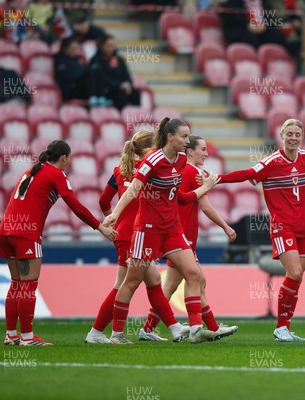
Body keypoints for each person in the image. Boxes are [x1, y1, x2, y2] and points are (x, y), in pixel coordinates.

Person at [218, 118, 305, 342]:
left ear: (302, 136)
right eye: (289, 134)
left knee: (297, 279)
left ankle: (284, 328)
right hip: (282, 227)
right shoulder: (272, 162)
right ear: (282, 135)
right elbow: (247, 173)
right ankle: (280, 328)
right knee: (295, 273)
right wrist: (217, 179)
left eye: (297, 134)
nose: (293, 138)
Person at [103, 118, 221, 344]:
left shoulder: (182, 161)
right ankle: (117, 334)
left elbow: (182, 199)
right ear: (170, 137)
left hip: (172, 230)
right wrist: (116, 214)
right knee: (131, 281)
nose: (187, 141)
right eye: (184, 137)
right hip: (147, 231)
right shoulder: (153, 159)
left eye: (188, 137)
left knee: (193, 273)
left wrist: (205, 187)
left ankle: (195, 330)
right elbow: (133, 189)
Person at [0, 140, 117, 346]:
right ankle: (27, 337)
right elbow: (76, 206)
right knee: (28, 286)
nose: (68, 163)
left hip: (6, 231)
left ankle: (11, 334)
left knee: (17, 284)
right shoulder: (56, 174)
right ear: (64, 158)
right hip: (26, 233)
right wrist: (101, 227)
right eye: (68, 159)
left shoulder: (32, 171)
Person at [141, 135, 239, 341]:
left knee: (172, 285)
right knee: (197, 279)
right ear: (190, 152)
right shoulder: (193, 172)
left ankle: (148, 329)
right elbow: (205, 206)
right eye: (202, 149)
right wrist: (225, 226)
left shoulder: (180, 170)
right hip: (181, 236)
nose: (206, 153)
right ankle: (203, 328)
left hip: (177, 232)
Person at [85, 130, 155, 344]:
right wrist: (113, 223)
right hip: (133, 235)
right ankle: (99, 333)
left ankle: (170, 328)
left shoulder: (118, 170)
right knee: (122, 284)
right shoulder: (151, 170)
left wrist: (112, 219)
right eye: (155, 147)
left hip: (126, 234)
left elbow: (103, 201)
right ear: (146, 150)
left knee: (154, 280)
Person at [88, 34, 140, 109]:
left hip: (120, 87)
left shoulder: (119, 59)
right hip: (105, 90)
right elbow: (101, 78)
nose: (112, 47)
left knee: (135, 93)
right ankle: (117, 116)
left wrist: (128, 83)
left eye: (113, 45)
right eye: (109, 45)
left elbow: (126, 74)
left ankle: (136, 116)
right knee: (121, 92)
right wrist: (119, 84)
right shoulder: (96, 60)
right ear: (102, 46)